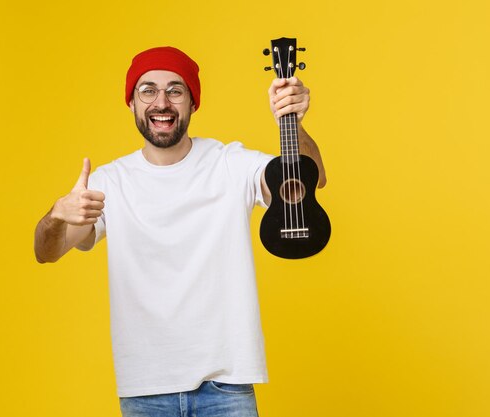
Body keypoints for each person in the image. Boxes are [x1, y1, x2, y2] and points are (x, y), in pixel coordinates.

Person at [34, 46, 326, 417]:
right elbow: (47, 251)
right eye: (148, 90)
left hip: (227, 386)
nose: (162, 102)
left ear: (192, 103)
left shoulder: (229, 163)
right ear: (132, 104)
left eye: (175, 90)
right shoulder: (110, 181)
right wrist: (58, 215)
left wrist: (293, 123)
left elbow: (306, 183)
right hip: (146, 389)